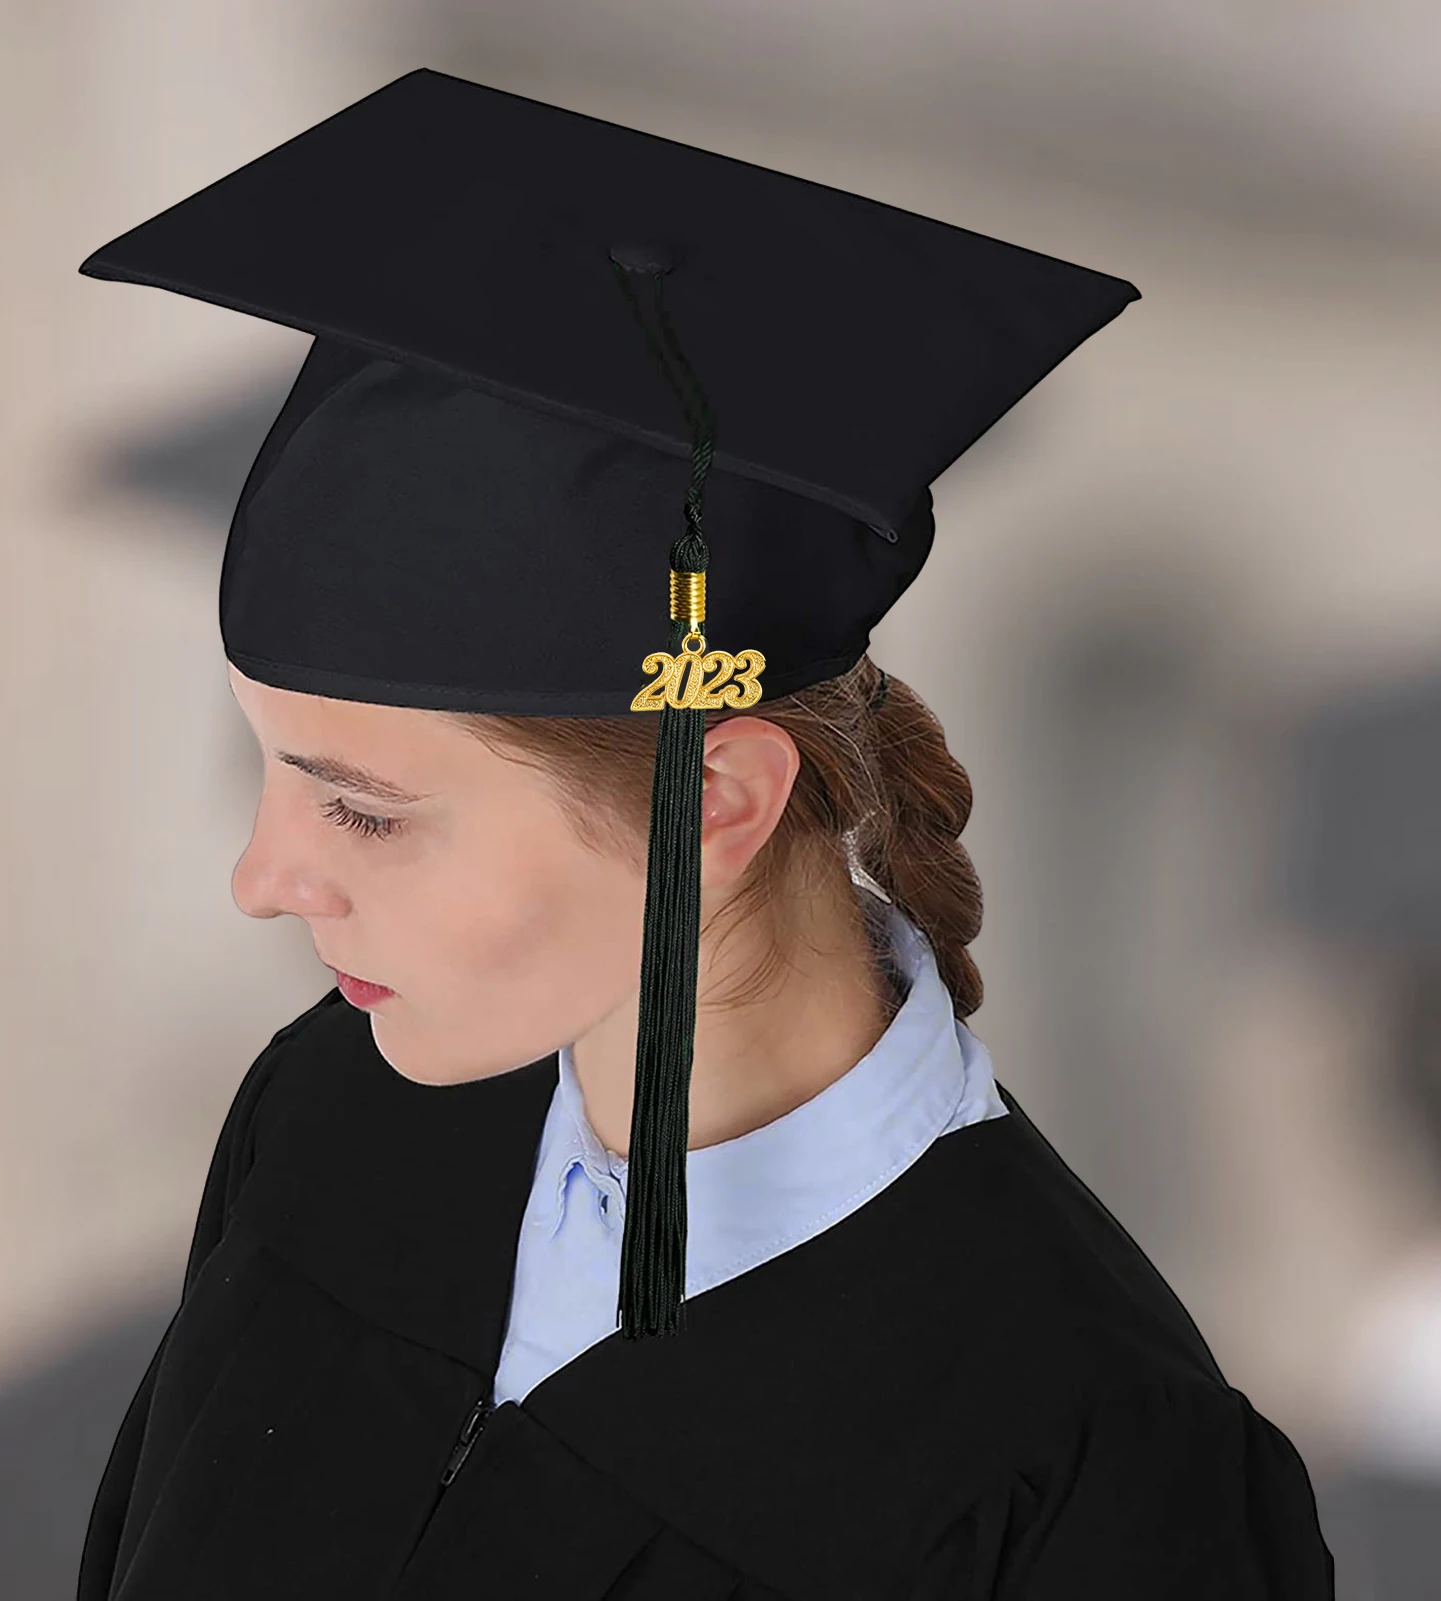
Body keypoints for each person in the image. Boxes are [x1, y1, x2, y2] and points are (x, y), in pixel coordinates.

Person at [74, 67, 1335, 1600]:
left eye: (362, 807)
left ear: (714, 805)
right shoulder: (339, 1120)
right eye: (273, 770)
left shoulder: (1090, 1457)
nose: (262, 878)